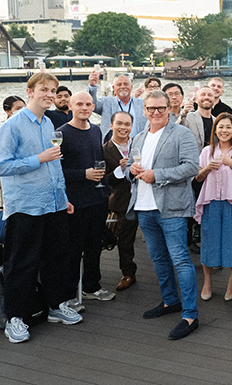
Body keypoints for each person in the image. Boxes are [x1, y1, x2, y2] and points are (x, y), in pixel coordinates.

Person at [0, 73, 82, 343]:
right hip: (25, 206)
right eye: (44, 90)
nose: (49, 94)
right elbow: (3, 165)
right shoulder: (13, 125)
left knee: (57, 258)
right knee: (21, 263)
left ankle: (56, 306)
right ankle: (16, 318)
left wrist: (63, 197)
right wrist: (38, 158)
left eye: (53, 90)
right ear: (30, 91)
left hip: (53, 204)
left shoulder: (48, 123)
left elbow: (55, 165)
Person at [126, 90, 200, 340]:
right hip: (144, 207)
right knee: (158, 258)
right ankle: (170, 301)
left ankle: (190, 314)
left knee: (180, 259)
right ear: (144, 110)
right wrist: (132, 170)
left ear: (169, 108)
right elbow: (127, 168)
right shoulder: (138, 137)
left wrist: (157, 174)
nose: (155, 113)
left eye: (160, 108)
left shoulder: (182, 133)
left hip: (172, 208)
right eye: (150, 109)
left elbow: (191, 167)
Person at [57, 91, 114, 306]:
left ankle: (92, 285)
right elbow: (56, 171)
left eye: (88, 104)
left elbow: (99, 162)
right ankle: (70, 293)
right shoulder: (61, 133)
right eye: (79, 104)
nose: (84, 108)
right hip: (76, 201)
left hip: (97, 199)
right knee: (74, 248)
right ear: (71, 106)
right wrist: (84, 174)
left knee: (94, 245)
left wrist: (105, 191)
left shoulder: (97, 130)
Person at [195, 113, 232, 302]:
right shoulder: (206, 151)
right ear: (215, 130)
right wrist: (207, 169)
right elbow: (198, 178)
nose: (224, 131)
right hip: (211, 201)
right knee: (209, 241)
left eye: (228, 127)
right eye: (221, 127)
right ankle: (208, 281)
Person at [103, 111, 138, 291]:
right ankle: (128, 273)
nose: (123, 128)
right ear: (111, 125)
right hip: (121, 200)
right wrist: (119, 169)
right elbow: (104, 180)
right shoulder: (104, 149)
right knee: (125, 239)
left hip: (143, 197)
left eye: (127, 124)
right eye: (119, 124)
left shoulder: (139, 144)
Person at [88, 72, 147, 138]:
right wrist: (92, 86)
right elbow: (92, 105)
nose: (122, 86)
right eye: (119, 84)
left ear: (131, 87)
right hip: (112, 146)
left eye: (125, 84)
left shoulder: (142, 104)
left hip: (136, 145)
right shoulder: (106, 102)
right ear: (113, 88)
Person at [184, 87, 215, 153]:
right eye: (203, 95)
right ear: (196, 99)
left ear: (214, 99)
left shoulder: (216, 121)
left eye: (210, 95)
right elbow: (175, 131)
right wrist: (183, 114)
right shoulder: (188, 117)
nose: (206, 97)